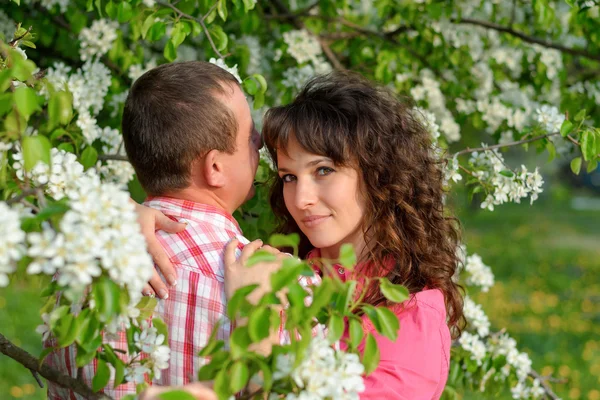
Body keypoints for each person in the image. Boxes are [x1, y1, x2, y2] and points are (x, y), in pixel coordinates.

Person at [145, 71, 465, 399]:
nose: (301, 199)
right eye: (289, 177)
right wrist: (131, 215)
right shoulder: (288, 270)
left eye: (323, 170)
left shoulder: (411, 312)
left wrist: (255, 322)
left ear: (378, 174)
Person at [45, 61, 276, 399]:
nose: (260, 146)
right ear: (215, 167)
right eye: (251, 136)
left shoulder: (75, 262)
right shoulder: (272, 288)